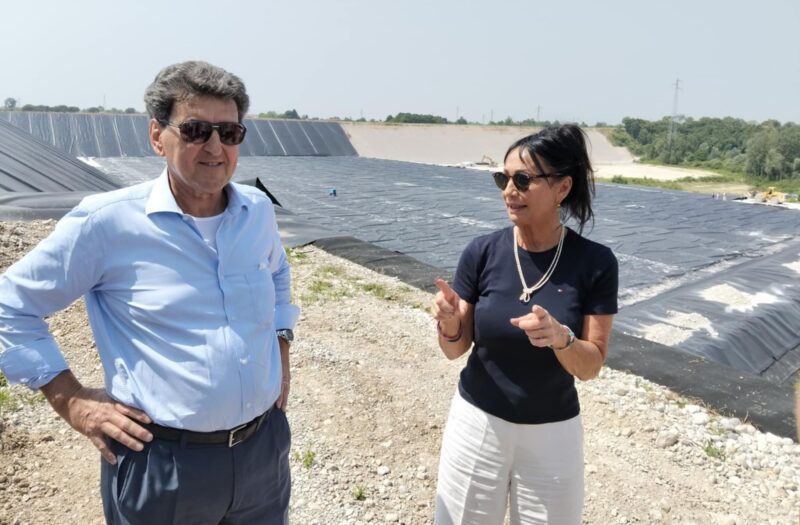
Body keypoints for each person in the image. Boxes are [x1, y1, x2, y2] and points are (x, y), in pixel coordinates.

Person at [0, 61, 299, 524]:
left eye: (229, 132)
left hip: (263, 453)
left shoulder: (256, 211)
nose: (215, 147)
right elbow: (10, 305)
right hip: (164, 465)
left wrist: (281, 338)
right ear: (158, 136)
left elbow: (277, 273)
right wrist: (71, 399)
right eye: (196, 130)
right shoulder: (107, 224)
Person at [431, 124, 618, 524]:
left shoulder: (596, 263)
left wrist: (562, 339)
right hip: (477, 424)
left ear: (562, 188)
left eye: (522, 180)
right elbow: (454, 349)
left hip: (553, 435)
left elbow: (591, 366)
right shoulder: (482, 252)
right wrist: (448, 323)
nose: (508, 191)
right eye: (503, 179)